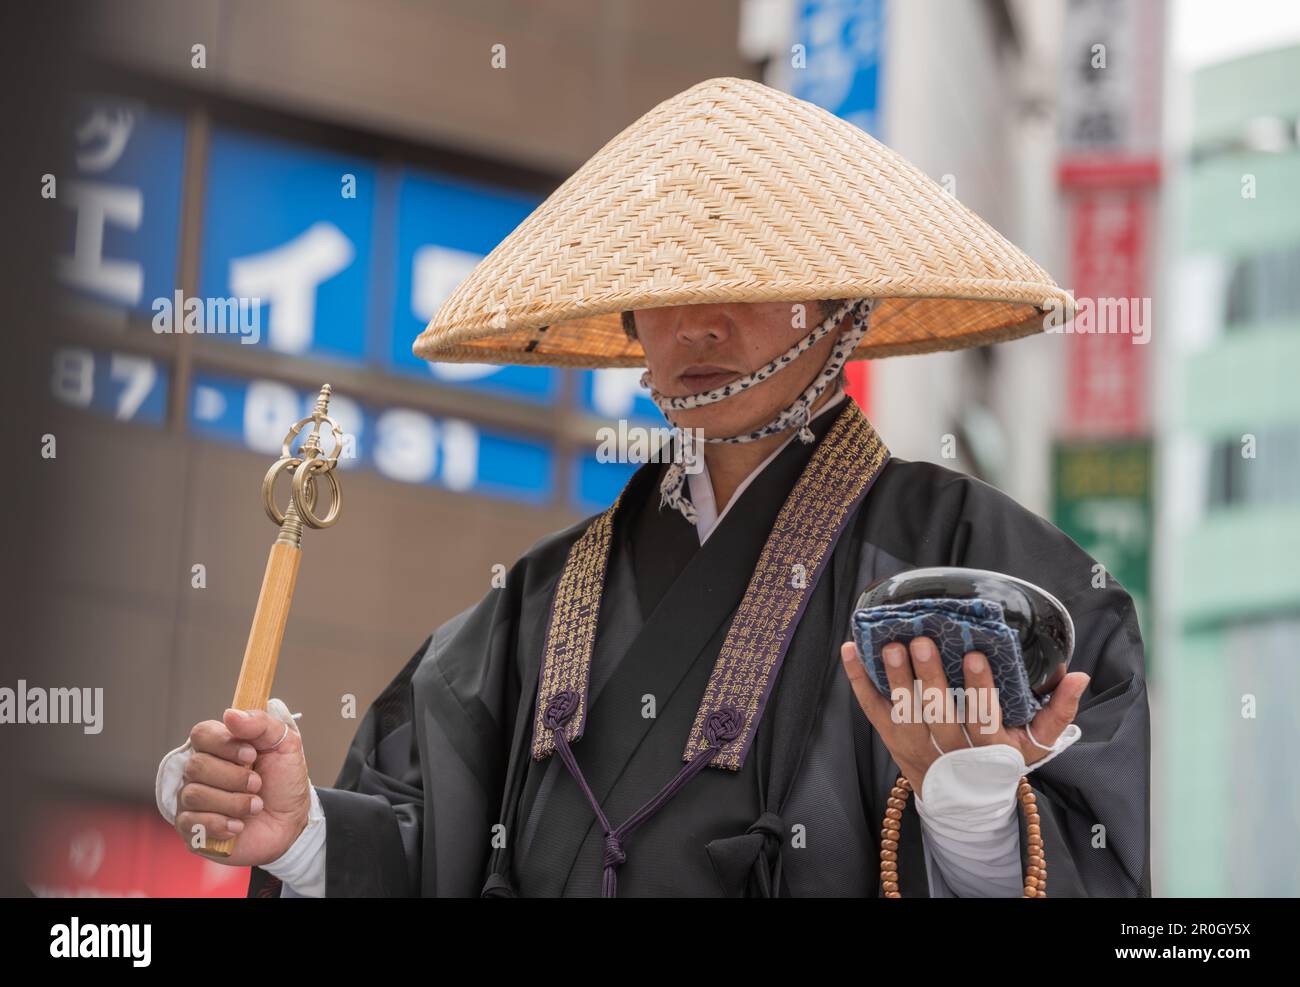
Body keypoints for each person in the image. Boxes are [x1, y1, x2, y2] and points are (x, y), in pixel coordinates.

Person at [156, 78, 1151, 898]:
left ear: (845, 307)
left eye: (751, 277)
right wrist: (299, 834)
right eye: (663, 289)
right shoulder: (532, 606)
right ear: (627, 323)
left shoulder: (978, 569)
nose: (698, 325)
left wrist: (969, 817)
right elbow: (434, 854)